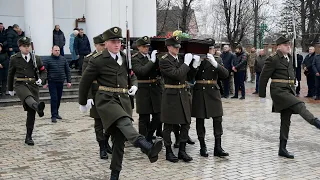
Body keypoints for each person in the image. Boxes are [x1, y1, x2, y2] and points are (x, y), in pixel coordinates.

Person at [78, 27, 162, 179]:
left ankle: (114, 174)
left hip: (123, 100)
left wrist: (134, 85)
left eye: (119, 42)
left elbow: (132, 75)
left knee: (119, 141)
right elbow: (85, 82)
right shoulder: (97, 60)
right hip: (106, 99)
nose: (117, 44)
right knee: (123, 121)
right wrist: (83, 101)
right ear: (106, 43)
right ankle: (145, 145)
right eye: (113, 42)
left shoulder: (124, 57)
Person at [259, 36, 320, 159]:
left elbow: (290, 73)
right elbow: (263, 77)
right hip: (279, 92)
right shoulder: (273, 59)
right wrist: (262, 95)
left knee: (286, 120)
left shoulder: (290, 58)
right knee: (299, 105)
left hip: (289, 90)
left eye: (289, 45)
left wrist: (294, 81)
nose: (288, 47)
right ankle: (316, 122)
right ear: (279, 46)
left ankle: (282, 148)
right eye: (286, 45)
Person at [159, 36, 199, 163]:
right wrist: (186, 64)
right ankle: (169, 151)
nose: (177, 49)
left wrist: (194, 65)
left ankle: (182, 150)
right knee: (169, 124)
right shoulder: (164, 60)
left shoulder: (181, 58)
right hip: (171, 94)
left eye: (178, 47)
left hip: (183, 93)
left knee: (186, 123)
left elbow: (189, 76)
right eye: (175, 47)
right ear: (169, 47)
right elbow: (176, 75)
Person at [7, 37, 47, 146]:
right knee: (28, 97)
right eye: (24, 46)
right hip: (20, 84)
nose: (27, 48)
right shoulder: (14, 58)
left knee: (31, 113)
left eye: (28, 46)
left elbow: (43, 71)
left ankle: (29, 136)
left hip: (33, 85)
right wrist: (10, 88)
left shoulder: (36, 58)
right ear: (20, 47)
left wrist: (41, 80)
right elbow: (10, 74)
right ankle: (37, 106)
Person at [191, 45, 229, 158]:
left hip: (213, 90)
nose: (209, 51)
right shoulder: (197, 59)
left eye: (211, 49)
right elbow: (190, 76)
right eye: (206, 49)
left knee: (218, 119)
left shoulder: (217, 59)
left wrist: (216, 64)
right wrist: (195, 65)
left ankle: (218, 147)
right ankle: (203, 146)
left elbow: (225, 74)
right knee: (200, 119)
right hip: (200, 91)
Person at [82, 34, 112, 159]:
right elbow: (86, 80)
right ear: (95, 45)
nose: (104, 47)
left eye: (105, 45)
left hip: (109, 94)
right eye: (101, 45)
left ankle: (106, 141)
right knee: (99, 122)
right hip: (96, 94)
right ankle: (102, 147)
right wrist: (88, 97)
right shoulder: (89, 59)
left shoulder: (110, 57)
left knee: (110, 122)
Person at [131, 36, 162, 142]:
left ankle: (149, 134)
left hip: (154, 88)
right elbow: (141, 71)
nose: (146, 48)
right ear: (138, 47)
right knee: (144, 116)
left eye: (148, 46)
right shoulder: (135, 58)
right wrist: (152, 61)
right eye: (144, 46)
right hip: (143, 88)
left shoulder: (151, 56)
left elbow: (158, 71)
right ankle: (143, 139)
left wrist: (157, 60)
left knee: (158, 115)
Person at [43, 46, 71, 123]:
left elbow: (67, 70)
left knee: (58, 98)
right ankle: (53, 115)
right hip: (52, 82)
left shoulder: (63, 59)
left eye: (58, 50)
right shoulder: (47, 60)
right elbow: (44, 72)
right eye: (55, 50)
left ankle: (56, 112)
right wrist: (44, 82)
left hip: (60, 81)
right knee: (54, 98)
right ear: (52, 50)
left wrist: (69, 81)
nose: (57, 51)